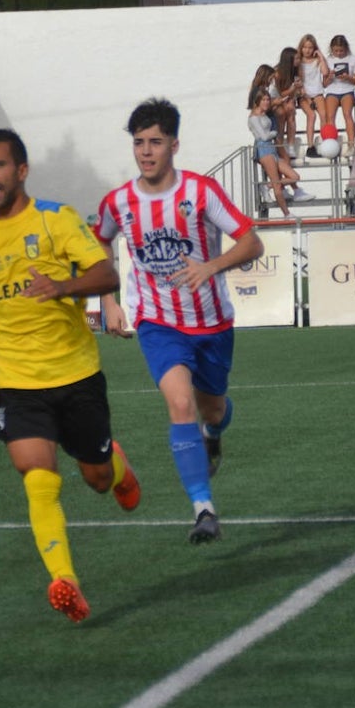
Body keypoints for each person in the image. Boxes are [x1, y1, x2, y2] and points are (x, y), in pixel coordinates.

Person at [0, 128, 140, 624]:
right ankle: (66, 580)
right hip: (15, 383)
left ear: (21, 170)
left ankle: (117, 465)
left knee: (98, 479)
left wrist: (61, 286)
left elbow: (106, 275)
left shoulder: (56, 219)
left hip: (76, 373)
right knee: (38, 477)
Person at [96, 98, 264, 545]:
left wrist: (211, 266)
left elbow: (252, 242)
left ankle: (215, 433)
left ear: (174, 145)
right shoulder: (119, 202)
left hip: (212, 323)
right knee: (180, 405)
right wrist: (108, 301)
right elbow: (98, 247)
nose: (146, 151)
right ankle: (203, 509)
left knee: (212, 409)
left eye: (155, 142)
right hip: (158, 323)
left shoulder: (201, 192)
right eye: (138, 143)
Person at [248, 87, 308, 216]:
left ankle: (266, 186)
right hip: (264, 150)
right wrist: (275, 133)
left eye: (268, 99)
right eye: (263, 100)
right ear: (258, 101)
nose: (266, 102)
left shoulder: (264, 114)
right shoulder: (253, 117)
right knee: (277, 185)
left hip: (272, 149)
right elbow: (263, 137)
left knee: (294, 177)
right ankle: (286, 213)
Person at [322, 34, 355, 159]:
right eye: (336, 51)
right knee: (330, 116)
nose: (338, 53)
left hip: (347, 90)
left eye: (341, 51)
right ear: (331, 49)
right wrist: (330, 76)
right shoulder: (328, 60)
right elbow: (324, 84)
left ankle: (351, 144)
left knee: (347, 114)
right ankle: (332, 143)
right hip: (332, 90)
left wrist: (348, 77)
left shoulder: (352, 59)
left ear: (346, 49)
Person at [297, 33, 329, 159]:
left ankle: (323, 142)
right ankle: (310, 146)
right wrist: (306, 97)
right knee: (311, 115)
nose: (307, 50)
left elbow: (325, 72)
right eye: (305, 47)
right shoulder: (299, 62)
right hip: (304, 94)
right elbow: (298, 81)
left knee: (323, 115)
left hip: (317, 92)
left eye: (310, 47)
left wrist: (321, 57)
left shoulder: (316, 60)